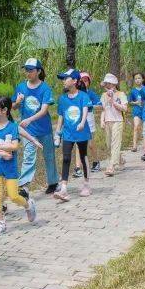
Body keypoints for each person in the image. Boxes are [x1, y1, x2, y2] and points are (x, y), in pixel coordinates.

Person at [0, 96, 39, 236]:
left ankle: (28, 205)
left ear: (4, 110)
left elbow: (14, 146)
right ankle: (0, 223)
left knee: (13, 196)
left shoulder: (12, 127)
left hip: (10, 168)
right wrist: (2, 153)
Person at [13, 58, 59, 195]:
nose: (27, 73)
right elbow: (13, 107)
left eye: (30, 70)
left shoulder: (45, 88)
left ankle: (53, 182)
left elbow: (44, 111)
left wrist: (29, 119)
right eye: (26, 70)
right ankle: (24, 187)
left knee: (49, 156)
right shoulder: (21, 87)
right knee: (28, 157)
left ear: (38, 71)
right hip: (28, 131)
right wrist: (17, 101)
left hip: (44, 129)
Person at [53, 69, 92, 201]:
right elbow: (61, 116)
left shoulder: (83, 96)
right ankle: (64, 188)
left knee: (83, 156)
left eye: (66, 78)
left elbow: (85, 110)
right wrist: (57, 133)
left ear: (75, 81)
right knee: (66, 158)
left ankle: (86, 184)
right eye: (63, 79)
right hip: (68, 132)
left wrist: (82, 123)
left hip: (82, 132)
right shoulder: (62, 99)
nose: (63, 81)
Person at [99, 74, 128, 176]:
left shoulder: (121, 94)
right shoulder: (103, 95)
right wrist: (102, 121)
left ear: (114, 84)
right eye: (106, 84)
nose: (107, 85)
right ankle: (120, 159)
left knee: (115, 143)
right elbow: (103, 109)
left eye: (108, 83)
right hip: (108, 121)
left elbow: (125, 108)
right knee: (109, 144)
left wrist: (113, 102)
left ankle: (111, 166)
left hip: (118, 121)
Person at [78, 71, 101, 174]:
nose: (84, 82)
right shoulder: (76, 93)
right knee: (78, 143)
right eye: (81, 80)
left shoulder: (91, 93)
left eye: (86, 80)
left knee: (90, 144)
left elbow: (100, 105)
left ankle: (96, 161)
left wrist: (90, 105)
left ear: (89, 82)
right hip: (79, 119)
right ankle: (78, 167)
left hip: (89, 117)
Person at [128, 72, 144, 152]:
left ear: (143, 79)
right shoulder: (132, 91)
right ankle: (134, 145)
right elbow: (129, 102)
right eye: (136, 79)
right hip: (137, 111)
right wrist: (136, 103)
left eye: (139, 78)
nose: (137, 80)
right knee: (136, 126)